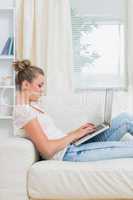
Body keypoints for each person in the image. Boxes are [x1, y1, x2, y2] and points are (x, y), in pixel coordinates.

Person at [13, 59, 133, 162]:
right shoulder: (23, 111)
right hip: (70, 153)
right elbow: (47, 151)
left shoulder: (33, 106)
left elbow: (54, 137)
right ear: (25, 85)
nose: (42, 90)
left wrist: (78, 132)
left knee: (125, 119)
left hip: (72, 145)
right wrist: (75, 135)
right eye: (40, 85)